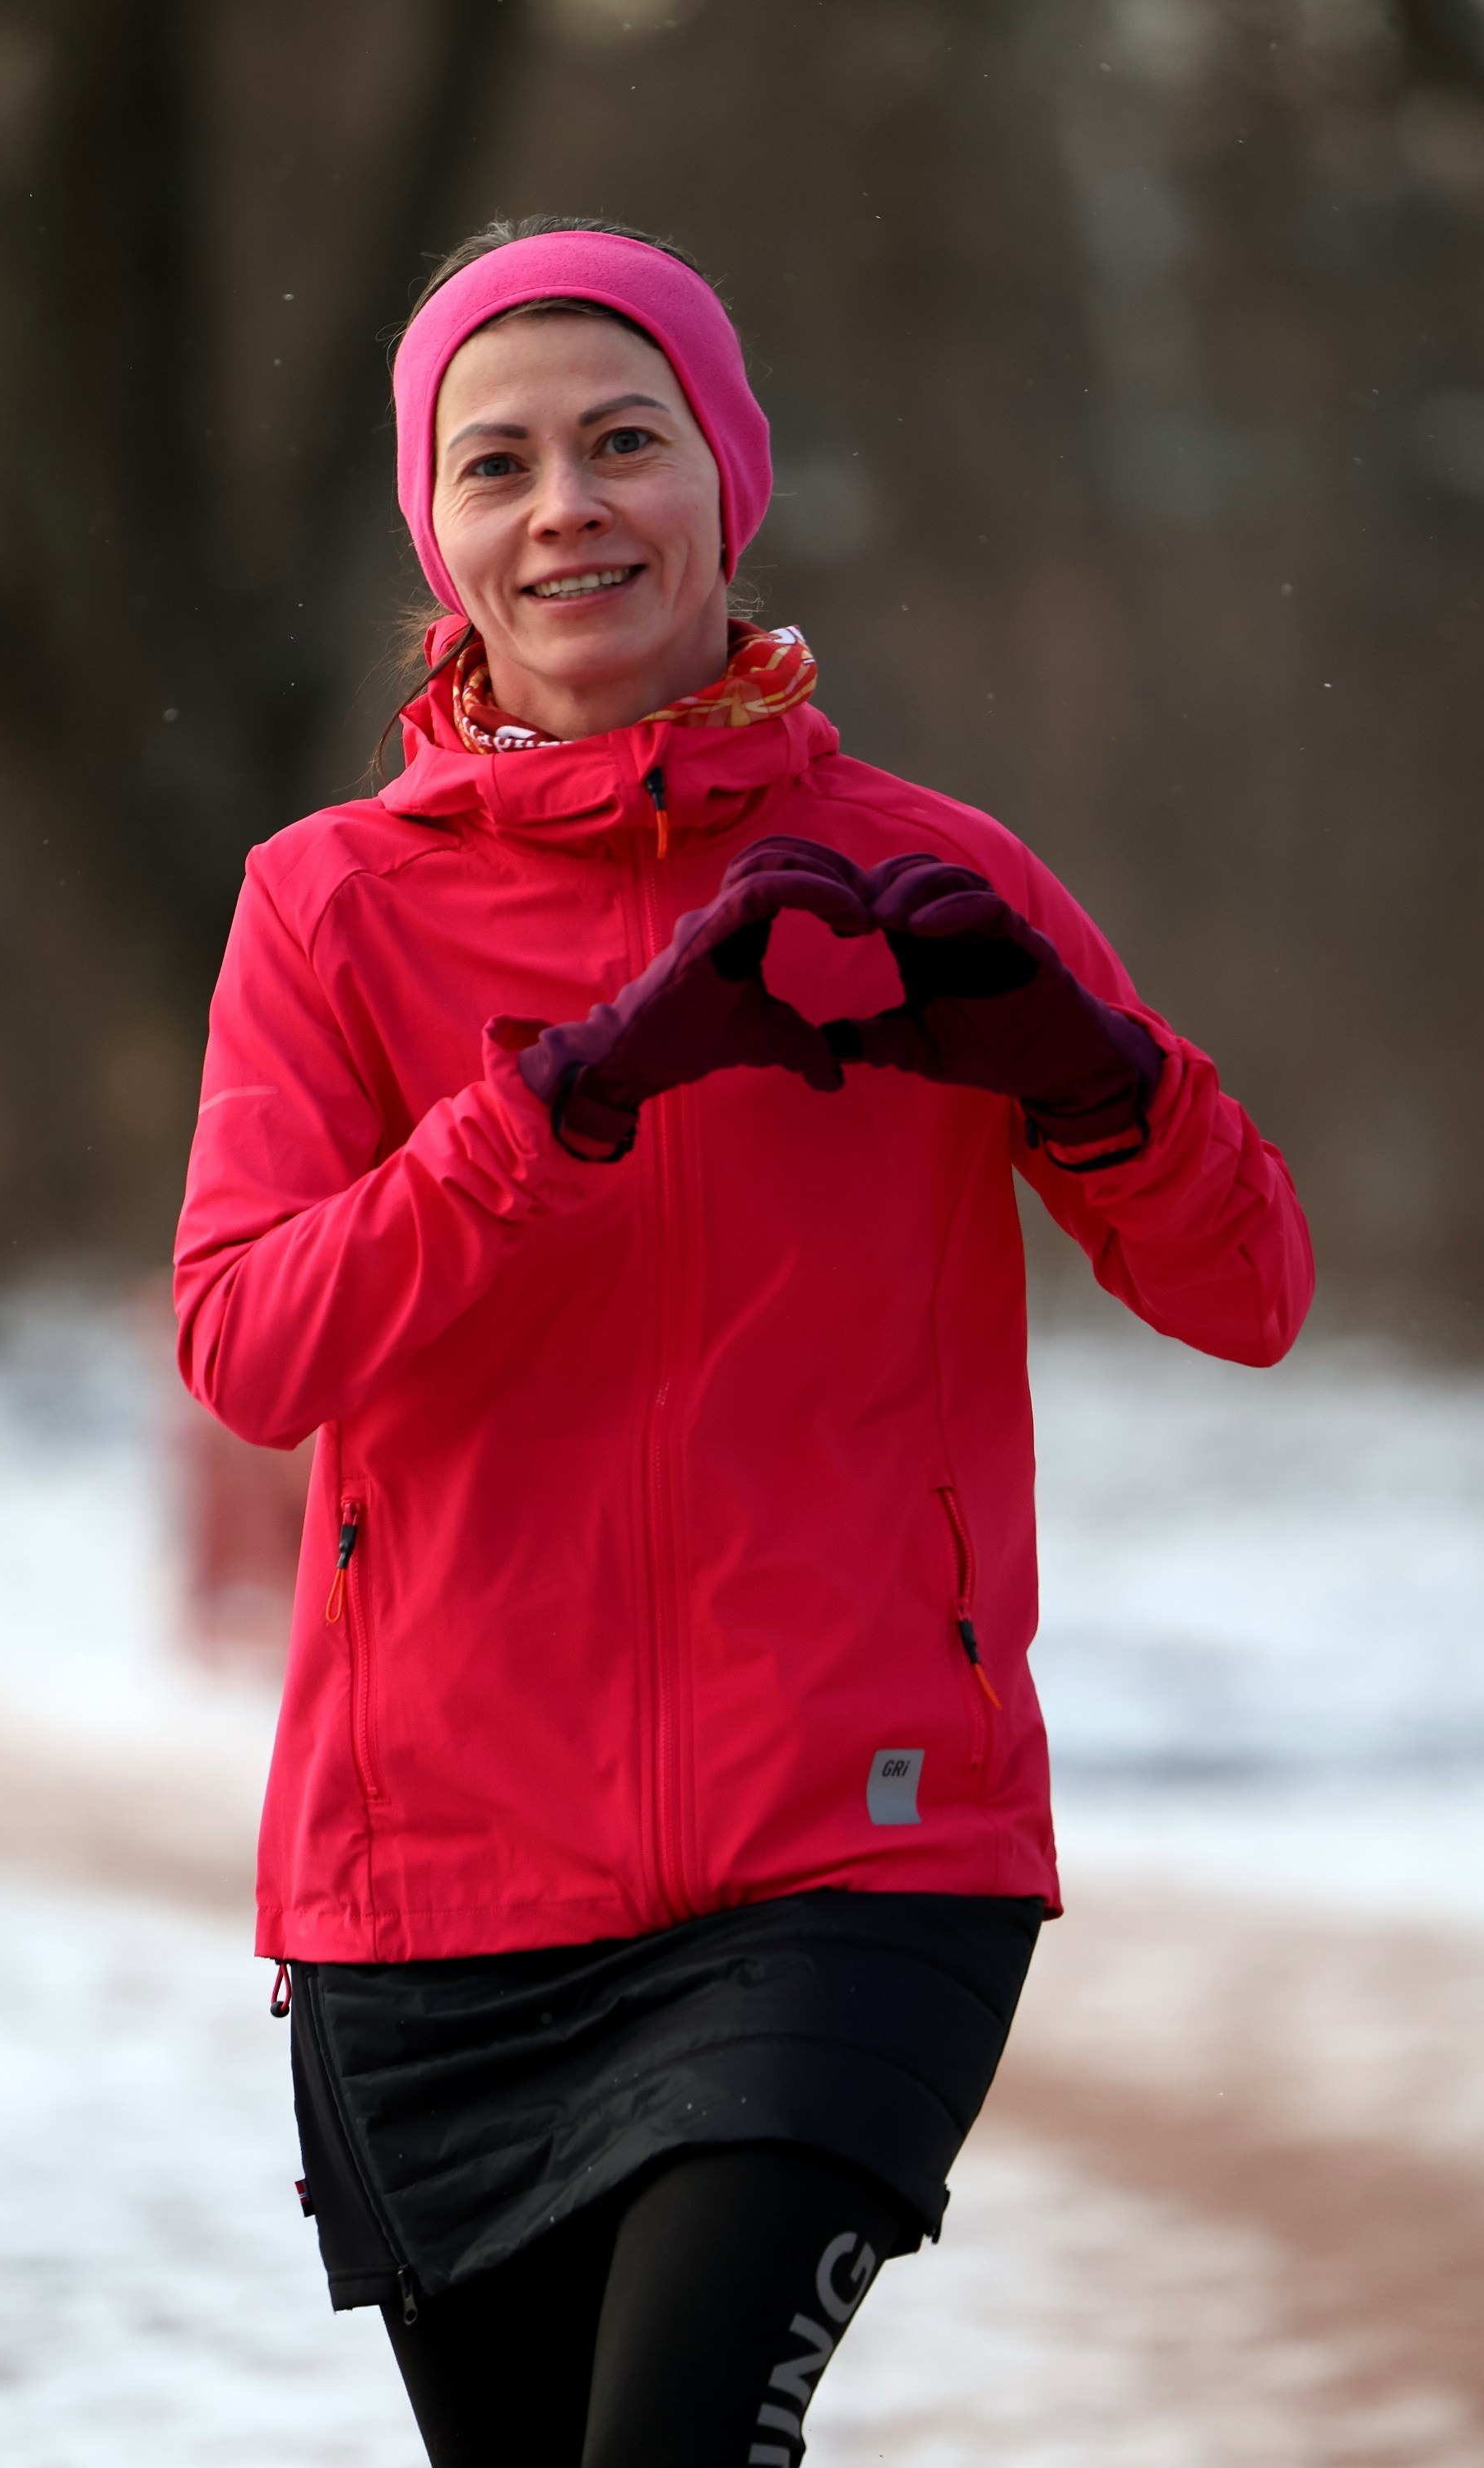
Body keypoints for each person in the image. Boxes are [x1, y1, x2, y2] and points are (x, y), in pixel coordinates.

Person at [174, 216, 1313, 2468]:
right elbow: (251, 1345)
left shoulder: (921, 872)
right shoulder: (330, 907)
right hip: (443, 1894)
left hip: (860, 1848)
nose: (566, 504)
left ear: (728, 480)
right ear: (442, 531)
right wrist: (564, 1097)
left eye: (624, 441)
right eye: (496, 465)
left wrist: (1093, 1075)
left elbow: (1249, 1290)